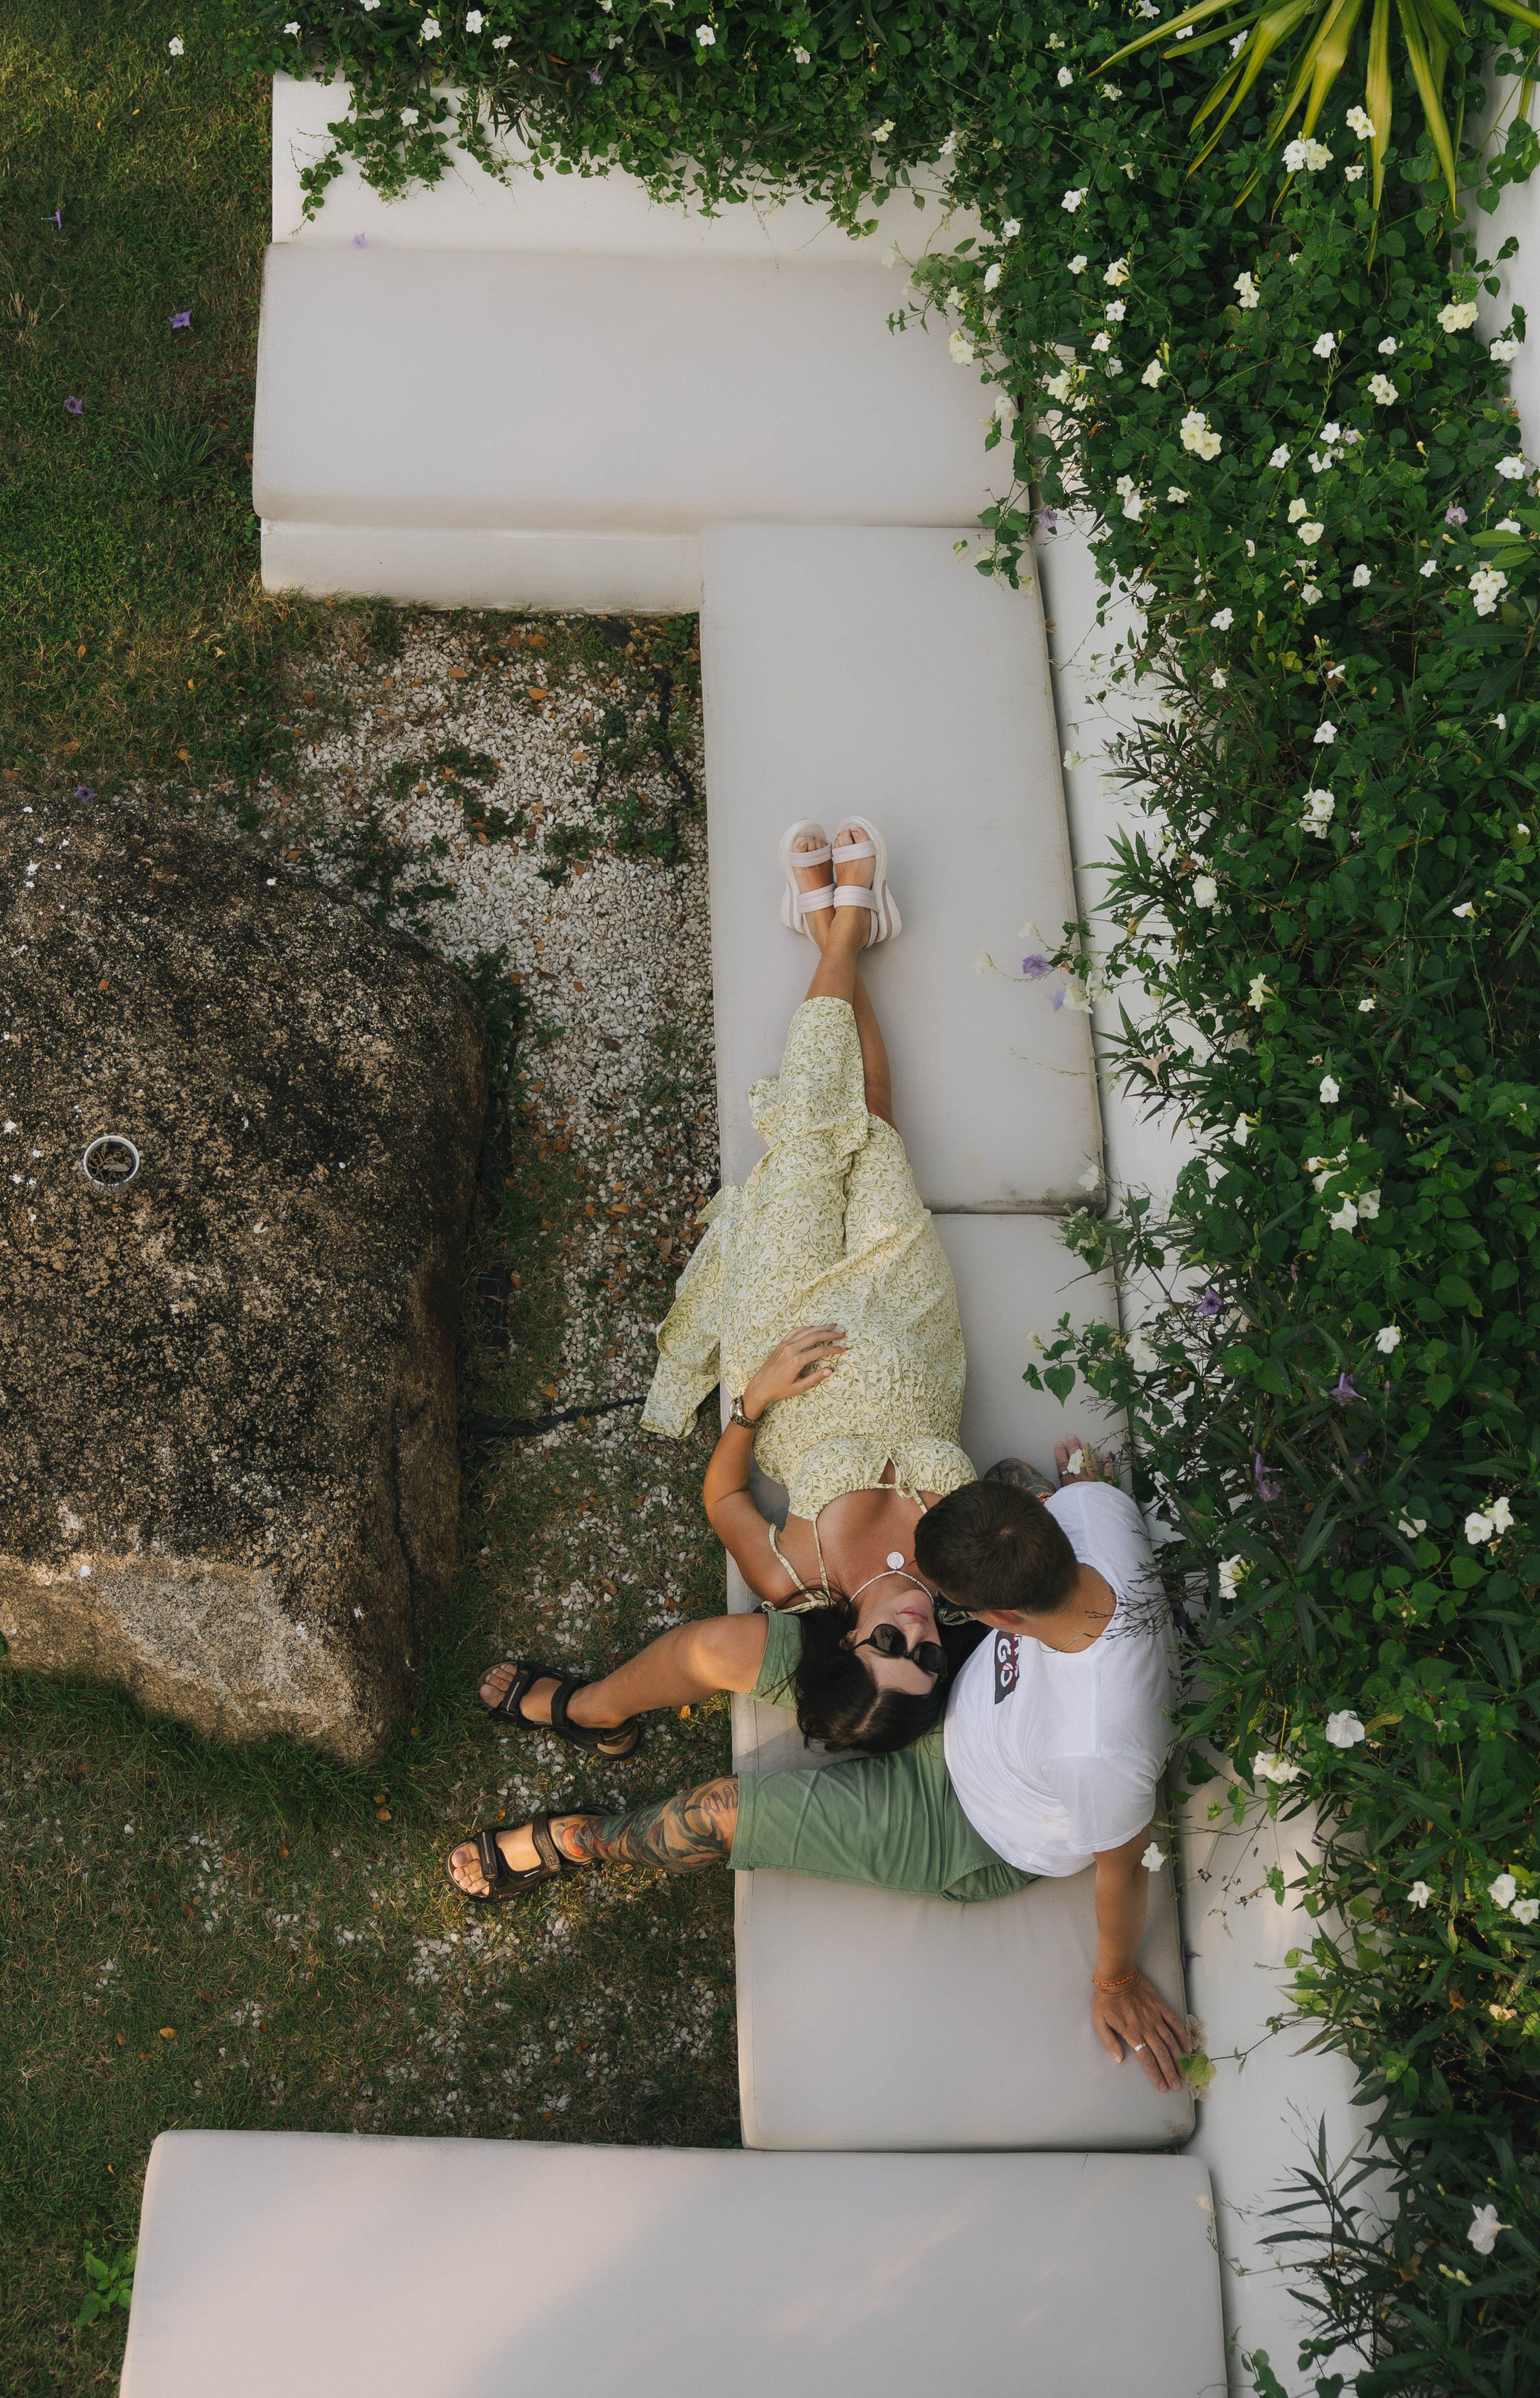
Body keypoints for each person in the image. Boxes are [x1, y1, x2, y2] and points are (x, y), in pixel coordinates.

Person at [473, 820, 1028, 1769]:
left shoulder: (792, 1577)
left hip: (786, 1324)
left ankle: (845, 933)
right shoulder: (972, 1585)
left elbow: (721, 1491)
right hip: (910, 1321)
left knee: (815, 1137)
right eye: (928, 1659)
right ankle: (841, 936)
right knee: (879, 1135)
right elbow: (1027, 1502)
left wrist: (754, 1400)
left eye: (886, 1649)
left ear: (842, 1644)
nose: (914, 1634)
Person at [447, 1463, 1194, 2092]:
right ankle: (589, 1710)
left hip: (969, 1825)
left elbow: (1120, 1870)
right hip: (950, 1698)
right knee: (716, 1649)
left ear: (999, 1612)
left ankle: (579, 1840)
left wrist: (1114, 1981)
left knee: (718, 1817)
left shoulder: (1100, 1748)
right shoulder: (1094, 1508)